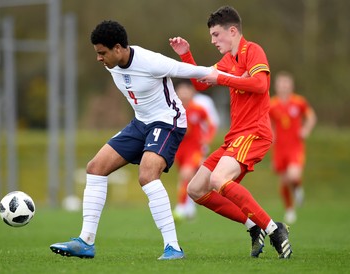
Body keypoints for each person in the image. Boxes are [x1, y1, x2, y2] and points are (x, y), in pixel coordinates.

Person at [49, 20, 219, 261]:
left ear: (118, 48)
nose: (99, 58)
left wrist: (235, 77)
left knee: (147, 175)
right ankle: (85, 241)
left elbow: (197, 72)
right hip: (140, 123)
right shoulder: (111, 64)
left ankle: (173, 247)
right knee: (95, 168)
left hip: (168, 121)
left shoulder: (151, 62)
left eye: (102, 53)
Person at [169, 6, 293, 258]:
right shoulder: (228, 60)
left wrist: (224, 78)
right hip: (235, 136)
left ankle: (274, 229)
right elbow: (199, 83)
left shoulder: (252, 51)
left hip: (254, 133)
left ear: (232, 31)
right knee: (196, 189)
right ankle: (253, 225)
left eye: (216, 35)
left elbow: (260, 84)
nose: (213, 41)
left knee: (217, 180)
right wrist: (186, 55)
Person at [269, 71, 317, 224]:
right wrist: (271, 135)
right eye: (281, 83)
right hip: (279, 148)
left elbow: (311, 117)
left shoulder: (299, 102)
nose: (283, 86)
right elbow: (267, 122)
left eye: (286, 83)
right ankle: (290, 210)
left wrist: (306, 130)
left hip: (295, 147)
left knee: (293, 175)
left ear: (291, 85)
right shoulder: (272, 103)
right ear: (276, 86)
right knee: (284, 181)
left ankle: (297, 189)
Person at [173, 80, 217, 221]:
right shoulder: (172, 109)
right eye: (181, 90)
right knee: (187, 177)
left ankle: (180, 207)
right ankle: (190, 206)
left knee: (186, 174)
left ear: (192, 92)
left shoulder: (198, 109)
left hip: (195, 149)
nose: (184, 93)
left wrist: (207, 139)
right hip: (179, 149)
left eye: (187, 90)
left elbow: (211, 125)